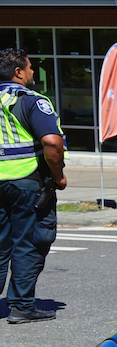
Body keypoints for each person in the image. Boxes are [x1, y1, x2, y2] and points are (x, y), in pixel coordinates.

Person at [0, 48, 66, 324]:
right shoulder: (31, 101)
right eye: (29, 68)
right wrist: (59, 175)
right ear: (18, 72)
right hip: (25, 181)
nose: (32, 73)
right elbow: (52, 142)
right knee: (28, 242)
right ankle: (22, 306)